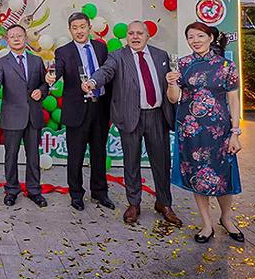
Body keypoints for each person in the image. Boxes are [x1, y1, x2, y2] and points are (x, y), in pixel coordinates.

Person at [83, 21, 181, 226]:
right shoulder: (117, 56)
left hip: (157, 116)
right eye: (131, 33)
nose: (135, 37)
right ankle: (134, 204)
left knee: (162, 163)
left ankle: (164, 203)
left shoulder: (161, 55)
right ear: (126, 36)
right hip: (130, 116)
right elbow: (106, 71)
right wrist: (93, 82)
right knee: (131, 163)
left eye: (139, 33)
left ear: (147, 36)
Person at [167, 22, 243, 244]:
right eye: (191, 37)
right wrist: (171, 83)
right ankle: (206, 224)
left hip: (220, 131)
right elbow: (174, 98)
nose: (195, 41)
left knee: (223, 175)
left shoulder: (226, 65)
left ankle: (226, 219)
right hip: (191, 131)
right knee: (197, 175)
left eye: (200, 36)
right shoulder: (182, 64)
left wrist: (235, 132)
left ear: (211, 38)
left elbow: (233, 100)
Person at [47, 12, 114, 211]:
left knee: (99, 153)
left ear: (89, 27)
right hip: (77, 110)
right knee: (75, 155)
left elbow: (108, 73)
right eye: (75, 28)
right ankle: (76, 194)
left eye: (82, 27)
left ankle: (100, 192)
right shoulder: (63, 51)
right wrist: (51, 78)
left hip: (100, 108)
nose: (79, 31)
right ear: (70, 30)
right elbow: (57, 70)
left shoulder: (101, 47)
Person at [0, 25, 49, 208]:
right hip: (12, 116)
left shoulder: (37, 61)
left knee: (33, 156)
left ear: (25, 38)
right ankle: (11, 190)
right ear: (7, 40)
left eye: (19, 36)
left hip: (33, 115)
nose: (16, 39)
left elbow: (45, 84)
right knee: (11, 156)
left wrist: (41, 91)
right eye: (12, 36)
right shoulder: (2, 62)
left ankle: (34, 191)